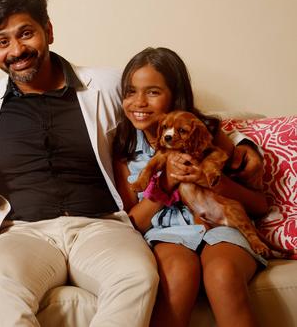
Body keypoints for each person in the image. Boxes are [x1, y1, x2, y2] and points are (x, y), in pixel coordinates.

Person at [0, 0, 159, 326]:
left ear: (49, 31)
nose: (16, 49)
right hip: (22, 231)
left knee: (137, 276)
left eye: (26, 33)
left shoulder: (107, 84)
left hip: (100, 226)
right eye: (2, 42)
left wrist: (240, 145)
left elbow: (172, 102)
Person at [112, 47, 268, 327]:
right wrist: (167, 182)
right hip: (167, 233)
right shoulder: (124, 149)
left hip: (224, 226)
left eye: (153, 92)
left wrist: (211, 180)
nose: (138, 102)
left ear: (176, 95)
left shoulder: (207, 134)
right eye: (130, 91)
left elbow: (259, 205)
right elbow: (132, 223)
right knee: (177, 274)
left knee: (223, 273)